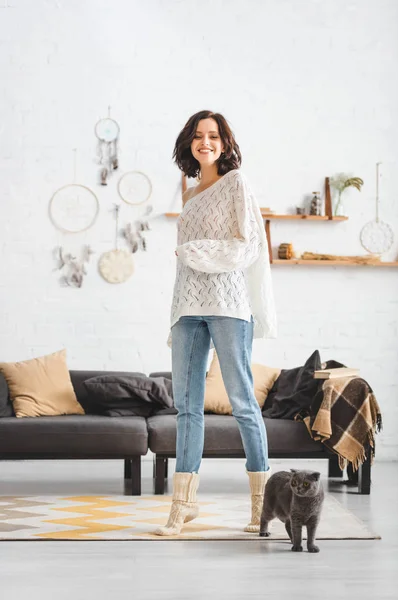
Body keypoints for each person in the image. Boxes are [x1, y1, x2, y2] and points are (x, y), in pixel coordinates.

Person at [154, 110, 277, 536]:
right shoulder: (188, 195)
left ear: (224, 144)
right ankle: (183, 505)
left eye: (213, 136)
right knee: (187, 408)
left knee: (243, 403)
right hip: (187, 307)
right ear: (189, 143)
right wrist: (174, 309)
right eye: (198, 136)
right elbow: (183, 266)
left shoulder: (236, 183)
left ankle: (262, 505)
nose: (205, 142)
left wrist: (195, 252)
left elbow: (247, 247)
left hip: (228, 305)